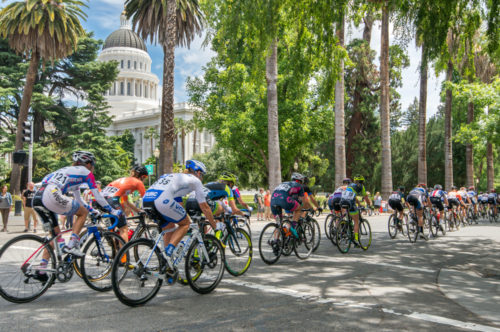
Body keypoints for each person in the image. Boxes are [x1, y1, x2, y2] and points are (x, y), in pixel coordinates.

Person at [33, 151, 122, 259]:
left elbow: (79, 199)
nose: (93, 167)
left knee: (56, 237)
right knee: (83, 213)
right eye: (93, 164)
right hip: (51, 194)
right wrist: (113, 211)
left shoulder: (69, 172)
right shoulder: (86, 173)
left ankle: (41, 270)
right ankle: (72, 246)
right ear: (88, 163)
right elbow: (98, 196)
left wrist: (92, 210)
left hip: (37, 197)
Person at [142, 160, 223, 270]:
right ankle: (169, 251)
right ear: (198, 173)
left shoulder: (175, 177)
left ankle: (167, 265)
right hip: (161, 200)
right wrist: (214, 226)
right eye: (202, 175)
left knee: (169, 228)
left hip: (147, 200)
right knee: (185, 224)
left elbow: (177, 201)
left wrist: (182, 215)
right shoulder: (195, 181)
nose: (202, 178)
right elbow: (205, 207)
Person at [98, 165, 148, 243]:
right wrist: (148, 210)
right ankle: (124, 254)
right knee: (124, 229)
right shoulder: (138, 182)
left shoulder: (126, 181)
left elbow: (126, 202)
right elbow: (146, 198)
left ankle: (115, 252)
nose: (144, 180)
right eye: (145, 177)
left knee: (114, 228)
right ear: (141, 176)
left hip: (100, 199)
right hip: (111, 200)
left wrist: (138, 210)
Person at [271, 172, 309, 237]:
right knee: (299, 209)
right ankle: (293, 228)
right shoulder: (299, 186)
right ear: (300, 181)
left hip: (273, 200)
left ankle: (276, 241)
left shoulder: (283, 183)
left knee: (279, 224)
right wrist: (306, 208)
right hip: (284, 200)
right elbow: (303, 201)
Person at [340, 176, 371, 244]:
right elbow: (365, 197)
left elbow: (352, 196)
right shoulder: (361, 186)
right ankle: (356, 239)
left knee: (349, 215)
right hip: (350, 202)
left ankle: (347, 227)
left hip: (342, 201)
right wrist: (370, 205)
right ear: (362, 182)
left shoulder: (350, 185)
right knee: (356, 221)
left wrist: (359, 204)